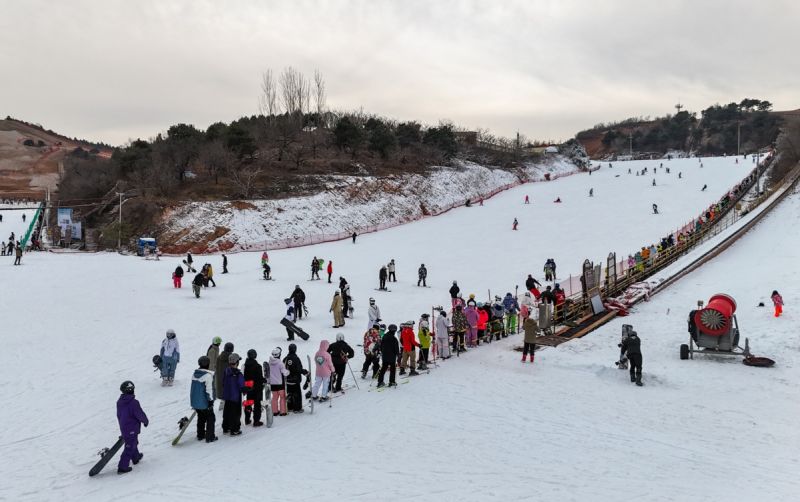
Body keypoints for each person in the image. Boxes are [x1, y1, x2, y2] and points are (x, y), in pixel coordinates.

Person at [116, 381, 148, 474]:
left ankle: (136, 457)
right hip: (132, 428)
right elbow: (139, 414)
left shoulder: (120, 402)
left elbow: (119, 415)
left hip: (124, 427)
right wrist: (145, 421)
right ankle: (122, 466)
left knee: (133, 442)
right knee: (130, 446)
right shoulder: (133, 403)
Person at [190, 356, 218, 442]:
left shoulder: (194, 374)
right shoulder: (208, 376)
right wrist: (210, 401)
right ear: (208, 364)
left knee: (201, 417)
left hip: (195, 402)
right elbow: (209, 390)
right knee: (210, 418)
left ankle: (200, 434)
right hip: (204, 402)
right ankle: (210, 437)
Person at [222, 353, 246, 435]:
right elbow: (241, 385)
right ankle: (235, 429)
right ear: (237, 362)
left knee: (227, 411)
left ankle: (226, 427)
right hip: (235, 396)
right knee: (235, 413)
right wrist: (245, 389)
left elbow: (223, 382)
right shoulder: (238, 374)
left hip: (227, 395)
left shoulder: (226, 371)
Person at [283, 343, 309, 413]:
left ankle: (290, 407)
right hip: (295, 380)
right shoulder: (296, 359)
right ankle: (297, 408)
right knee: (297, 394)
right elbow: (299, 369)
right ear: (295, 350)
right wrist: (305, 372)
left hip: (287, 380)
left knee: (289, 393)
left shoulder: (285, 359)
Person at [243, 349, 265, 426]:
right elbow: (259, 378)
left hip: (249, 387)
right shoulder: (258, 366)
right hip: (257, 388)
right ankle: (256, 420)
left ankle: (247, 419)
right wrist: (264, 380)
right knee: (257, 404)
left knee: (248, 402)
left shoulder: (245, 366)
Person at [267, 347, 290, 416]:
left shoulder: (269, 363)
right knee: (282, 397)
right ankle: (283, 411)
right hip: (280, 383)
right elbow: (284, 372)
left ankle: (275, 411)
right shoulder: (280, 363)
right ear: (279, 354)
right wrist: (288, 371)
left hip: (272, 383)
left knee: (274, 398)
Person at [215, 342, 234, 409]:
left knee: (223, 394)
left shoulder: (219, 357)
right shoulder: (231, 359)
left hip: (220, 379)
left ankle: (221, 407)